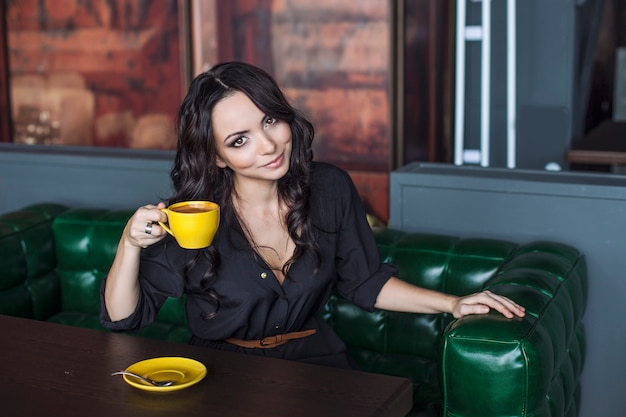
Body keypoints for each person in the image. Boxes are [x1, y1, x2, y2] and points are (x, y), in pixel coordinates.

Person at [100, 61, 525, 369]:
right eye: (240, 139)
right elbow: (124, 318)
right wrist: (129, 243)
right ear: (217, 158)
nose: (267, 145)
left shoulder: (330, 188)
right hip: (222, 376)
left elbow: (364, 283)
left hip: (317, 363)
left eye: (270, 120)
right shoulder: (192, 217)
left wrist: (453, 303)